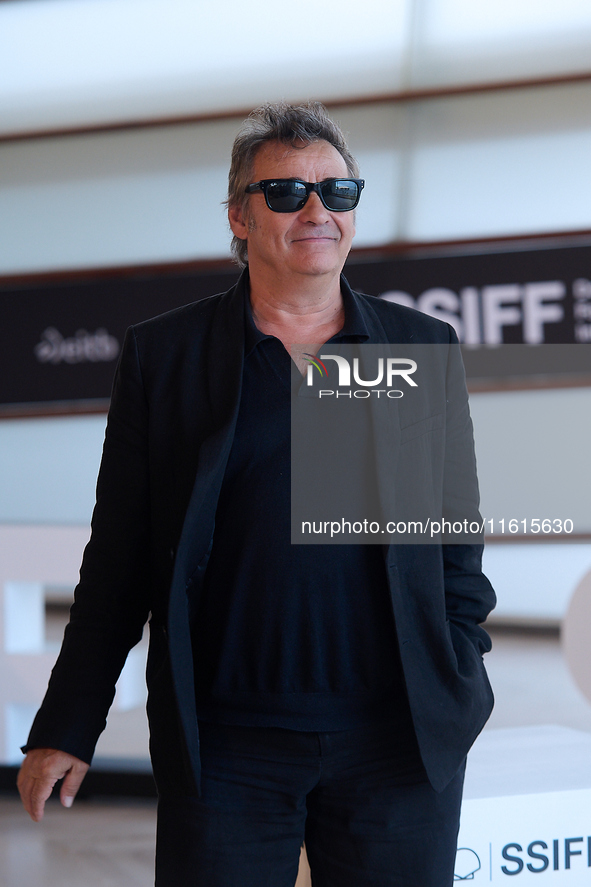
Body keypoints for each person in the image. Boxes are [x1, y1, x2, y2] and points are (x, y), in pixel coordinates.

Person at [18, 101, 495, 887]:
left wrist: (458, 673)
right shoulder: (165, 356)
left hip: (397, 741)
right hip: (227, 748)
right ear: (238, 216)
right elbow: (119, 563)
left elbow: (453, 541)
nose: (317, 211)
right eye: (284, 193)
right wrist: (67, 723)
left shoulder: (418, 345)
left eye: (338, 193)